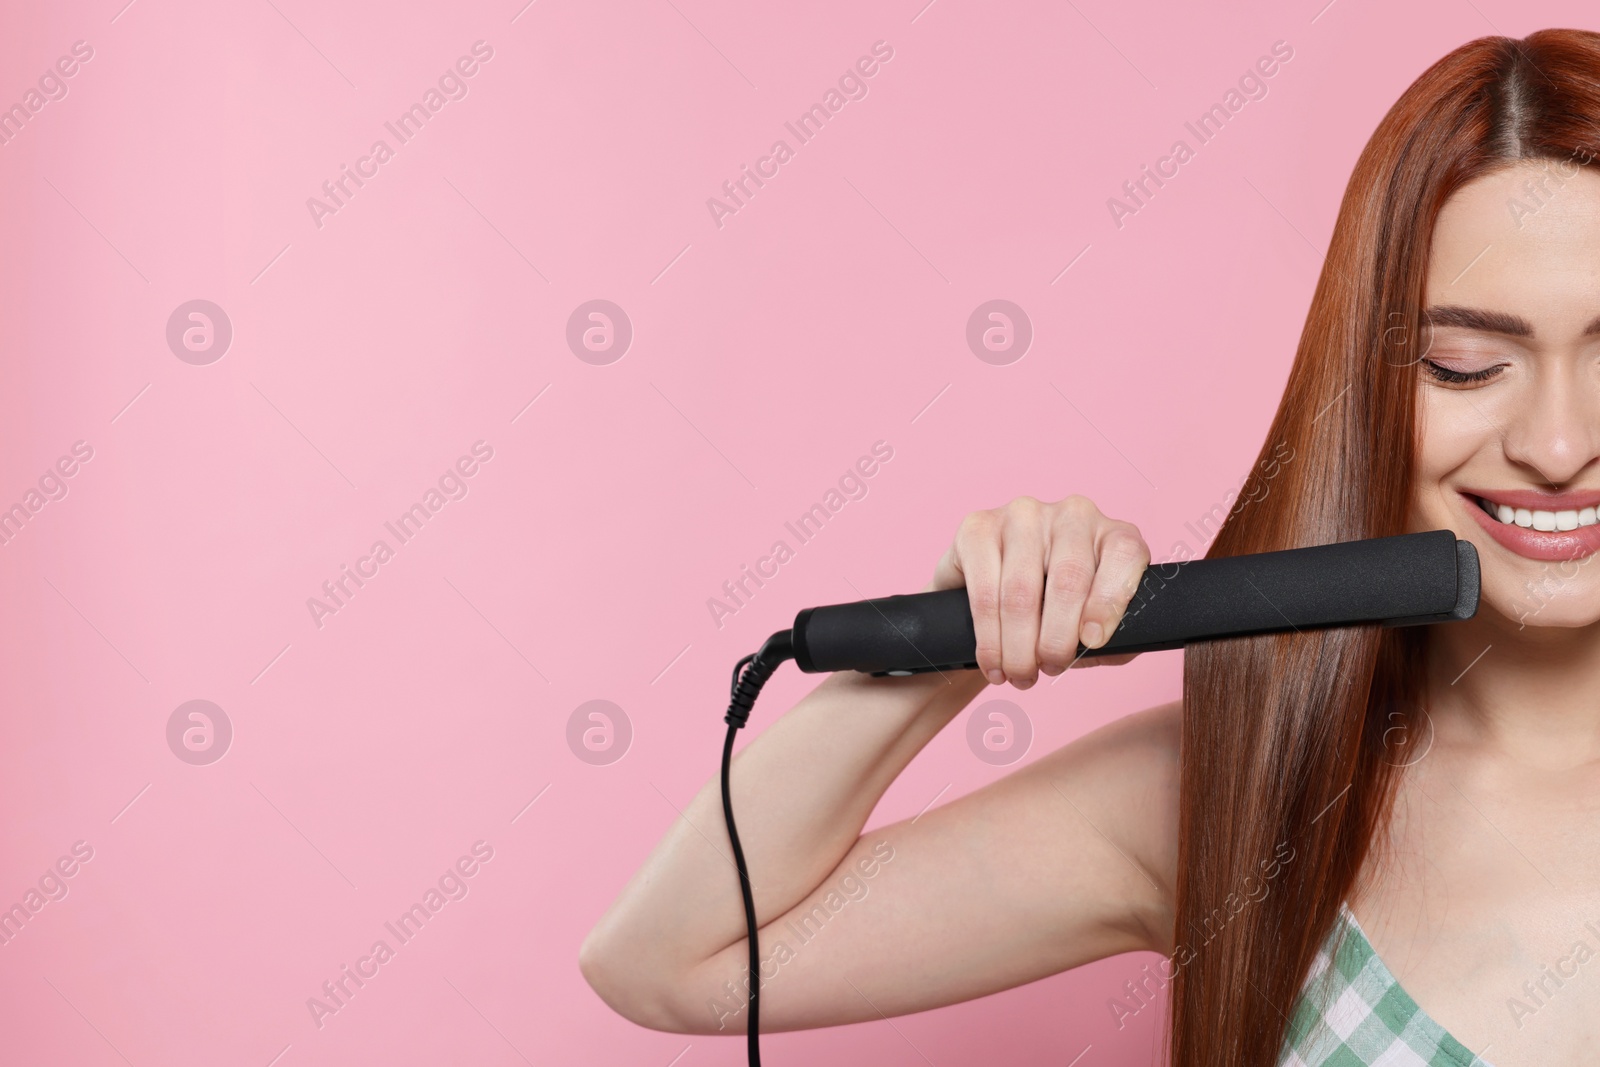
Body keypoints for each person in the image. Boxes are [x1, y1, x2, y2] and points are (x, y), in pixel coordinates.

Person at [580, 29, 1600, 1065]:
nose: (1557, 444)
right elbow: (672, 958)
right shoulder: (1237, 784)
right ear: (1371, 390)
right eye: (1465, 365)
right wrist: (967, 638)